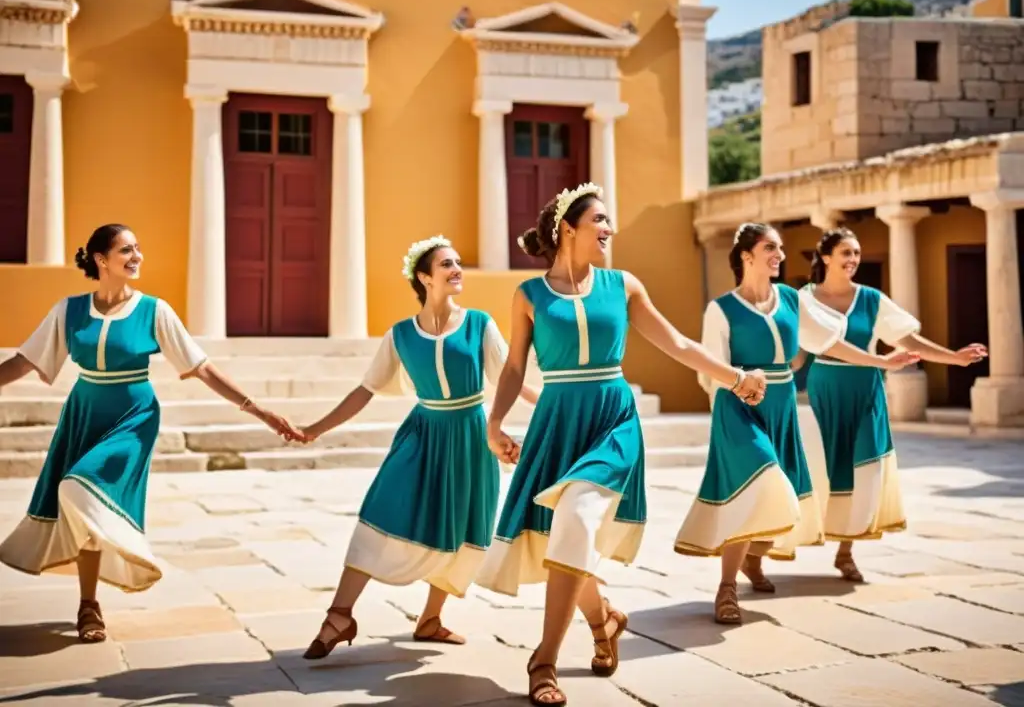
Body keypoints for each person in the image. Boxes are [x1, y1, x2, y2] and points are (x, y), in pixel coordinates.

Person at [477, 184, 767, 707]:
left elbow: (679, 343)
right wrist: (494, 423)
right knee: (559, 536)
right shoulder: (529, 295)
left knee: (576, 520)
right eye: (600, 221)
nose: (610, 229)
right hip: (556, 422)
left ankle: (543, 660)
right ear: (569, 228)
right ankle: (604, 619)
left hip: (612, 420)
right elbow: (516, 366)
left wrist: (734, 375)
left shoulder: (624, 285)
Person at [0, 224, 302, 643]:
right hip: (84, 412)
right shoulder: (68, 311)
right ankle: (89, 605)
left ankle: (132, 554)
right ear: (101, 260)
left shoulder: (154, 311)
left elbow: (203, 368)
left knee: (79, 487)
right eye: (126, 250)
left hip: (134, 417)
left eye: (138, 248)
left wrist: (260, 411)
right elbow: (24, 362)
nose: (137, 256)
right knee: (85, 506)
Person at [301, 236, 538, 659]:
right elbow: (366, 389)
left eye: (458, 261)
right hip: (421, 435)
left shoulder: (479, 324)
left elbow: (512, 376)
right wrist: (316, 428)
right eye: (447, 264)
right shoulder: (400, 336)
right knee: (379, 513)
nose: (457, 268)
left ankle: (430, 619)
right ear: (425, 277)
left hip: (470, 438)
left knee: (462, 529)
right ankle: (339, 614)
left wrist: (556, 408)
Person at [673, 222, 921, 625]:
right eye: (770, 247)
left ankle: (754, 557)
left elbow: (829, 343)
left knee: (783, 502)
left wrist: (882, 361)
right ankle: (727, 589)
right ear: (746, 256)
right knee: (756, 488)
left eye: (781, 249)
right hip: (738, 409)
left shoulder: (790, 298)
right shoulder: (722, 309)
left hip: (782, 407)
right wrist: (737, 389)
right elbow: (711, 369)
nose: (779, 255)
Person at [802, 227, 986, 581]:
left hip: (867, 388)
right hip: (828, 386)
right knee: (820, 466)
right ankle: (771, 546)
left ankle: (846, 551)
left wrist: (955, 358)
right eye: (846, 253)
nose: (853, 260)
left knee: (866, 466)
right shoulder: (804, 298)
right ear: (825, 257)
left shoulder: (872, 299)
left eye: (856, 253)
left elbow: (907, 339)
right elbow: (812, 347)